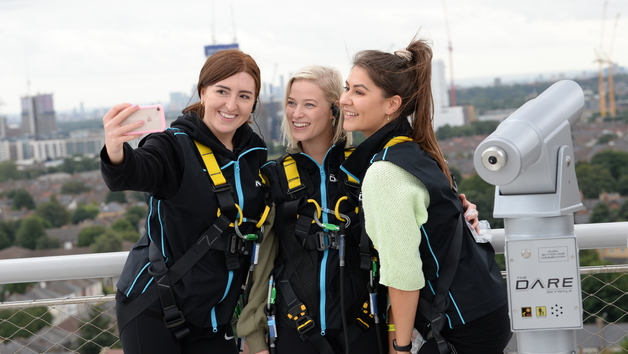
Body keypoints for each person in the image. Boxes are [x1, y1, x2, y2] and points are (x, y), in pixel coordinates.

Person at [238, 64, 481, 354]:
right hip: (295, 331)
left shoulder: (373, 171)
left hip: (365, 329)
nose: (295, 114)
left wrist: (464, 210)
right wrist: (254, 339)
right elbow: (261, 263)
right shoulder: (273, 177)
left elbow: (421, 230)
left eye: (309, 104)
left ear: (334, 111)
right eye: (291, 103)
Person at [339, 38, 511, 354]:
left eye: (358, 92)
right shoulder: (415, 149)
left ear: (391, 104)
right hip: (485, 309)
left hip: (458, 325)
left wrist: (400, 346)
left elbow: (404, 275)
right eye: (347, 87)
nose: (344, 99)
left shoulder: (385, 172)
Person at [100, 49, 277, 354]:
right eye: (222, 91)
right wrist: (116, 151)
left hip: (215, 317)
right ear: (203, 92)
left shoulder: (254, 153)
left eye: (244, 96)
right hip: (155, 306)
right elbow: (134, 171)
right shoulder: (173, 145)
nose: (232, 105)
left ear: (254, 103)